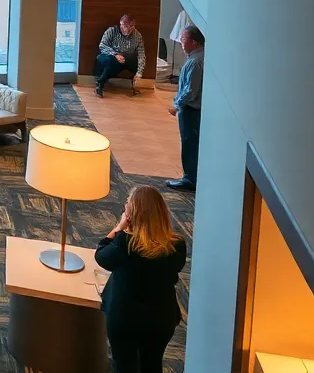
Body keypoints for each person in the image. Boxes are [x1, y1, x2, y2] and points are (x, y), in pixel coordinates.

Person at [95, 185, 187, 373]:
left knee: (124, 365)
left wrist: (120, 227)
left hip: (124, 318)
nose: (124, 205)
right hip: (161, 319)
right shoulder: (177, 246)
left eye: (127, 203)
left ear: (132, 213)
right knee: (152, 364)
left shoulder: (124, 244)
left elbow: (101, 254)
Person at [166, 25, 205, 192]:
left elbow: (190, 90)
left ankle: (190, 179)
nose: (181, 42)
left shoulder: (196, 62)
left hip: (191, 110)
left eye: (183, 39)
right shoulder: (199, 58)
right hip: (192, 109)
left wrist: (177, 105)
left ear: (194, 42)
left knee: (189, 143)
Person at [95, 14, 147, 96]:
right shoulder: (112, 31)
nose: (128, 29)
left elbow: (141, 54)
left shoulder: (137, 36)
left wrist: (139, 73)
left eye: (131, 26)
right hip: (112, 57)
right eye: (125, 25)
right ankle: (100, 83)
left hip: (127, 59)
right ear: (121, 24)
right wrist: (115, 54)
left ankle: (135, 84)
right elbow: (102, 45)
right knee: (109, 61)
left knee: (137, 61)